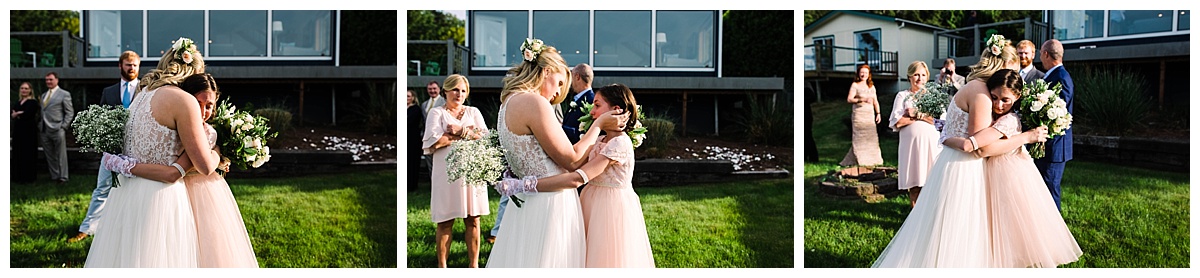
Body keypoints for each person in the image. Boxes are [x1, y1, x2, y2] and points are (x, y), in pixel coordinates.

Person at [872, 35, 1047, 267]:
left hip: (952, 161)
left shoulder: (974, 86)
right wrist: (1026, 136)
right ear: (1001, 66)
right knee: (959, 235)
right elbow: (980, 147)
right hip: (964, 168)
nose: (1011, 78)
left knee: (938, 234)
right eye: (1010, 71)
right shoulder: (982, 93)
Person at [486, 38, 625, 268]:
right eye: (559, 83)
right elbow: (571, 160)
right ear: (546, 71)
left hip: (524, 204)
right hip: (549, 206)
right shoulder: (534, 103)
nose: (557, 92)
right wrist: (598, 125)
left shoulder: (507, 103)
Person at [84, 37, 221, 267]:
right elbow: (206, 166)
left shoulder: (142, 93)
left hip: (129, 191)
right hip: (162, 195)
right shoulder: (184, 100)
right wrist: (217, 149)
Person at [947, 69, 1082, 267]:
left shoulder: (1009, 120)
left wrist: (949, 139)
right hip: (998, 172)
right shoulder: (1001, 115)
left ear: (1017, 97)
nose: (998, 105)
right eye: (993, 98)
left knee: (1011, 229)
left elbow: (982, 149)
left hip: (1008, 175)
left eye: (1005, 100)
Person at [177, 73, 259, 267]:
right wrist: (217, 158)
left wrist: (222, 160)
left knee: (212, 241)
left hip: (209, 191)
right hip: (182, 188)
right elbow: (193, 164)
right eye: (197, 103)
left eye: (209, 105)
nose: (203, 111)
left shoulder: (211, 130)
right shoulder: (179, 128)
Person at [576, 83, 655, 267]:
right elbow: (574, 162)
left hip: (610, 205)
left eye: (597, 105)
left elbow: (582, 174)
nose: (592, 112)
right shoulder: (600, 139)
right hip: (590, 198)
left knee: (606, 254)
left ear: (615, 110)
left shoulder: (620, 143)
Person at [68, 50, 141, 243]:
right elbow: (100, 119)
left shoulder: (146, 90)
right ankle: (87, 228)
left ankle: (130, 230)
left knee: (136, 191)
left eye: (135, 65)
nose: (132, 68)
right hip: (112, 150)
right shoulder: (108, 92)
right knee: (102, 189)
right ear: (120, 66)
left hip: (139, 151)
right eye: (128, 64)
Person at [423, 74, 490, 268]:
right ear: (445, 91)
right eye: (455, 89)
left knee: (473, 220)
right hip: (446, 173)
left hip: (471, 171)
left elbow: (485, 138)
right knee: (445, 221)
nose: (459, 94)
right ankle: (442, 266)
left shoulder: (474, 111)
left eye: (463, 90)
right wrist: (468, 134)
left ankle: (473, 265)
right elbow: (434, 142)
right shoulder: (436, 113)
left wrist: (459, 131)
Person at [887, 61, 942, 208]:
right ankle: (914, 217)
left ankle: (931, 215)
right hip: (911, 147)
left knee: (932, 183)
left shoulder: (933, 96)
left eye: (923, 75)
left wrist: (916, 114)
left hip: (932, 146)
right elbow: (897, 122)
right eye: (916, 74)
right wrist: (926, 117)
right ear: (910, 76)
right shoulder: (902, 96)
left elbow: (940, 121)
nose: (920, 78)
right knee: (915, 183)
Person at [1035, 39, 1074, 212]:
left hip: (1055, 146)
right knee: (1043, 188)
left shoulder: (1061, 78)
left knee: (1050, 189)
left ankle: (1055, 230)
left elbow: (1059, 113)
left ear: (1045, 54)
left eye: (1040, 53)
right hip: (1048, 144)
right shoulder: (1053, 75)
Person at [839, 64, 883, 167]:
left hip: (869, 115)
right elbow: (849, 99)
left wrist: (878, 113)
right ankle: (861, 159)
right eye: (862, 72)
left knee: (871, 137)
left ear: (869, 74)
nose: (864, 75)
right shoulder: (855, 85)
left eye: (866, 73)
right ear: (859, 73)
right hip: (859, 115)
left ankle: (873, 159)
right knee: (859, 137)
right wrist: (861, 99)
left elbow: (875, 101)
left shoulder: (871, 86)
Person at [40, 71, 74, 184]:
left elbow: (69, 112)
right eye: (47, 80)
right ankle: (54, 176)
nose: (48, 82)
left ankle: (63, 177)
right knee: (49, 154)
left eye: (50, 79)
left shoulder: (64, 94)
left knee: (61, 154)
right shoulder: (44, 95)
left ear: (56, 80)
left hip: (58, 128)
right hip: (44, 129)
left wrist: (63, 126)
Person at [11, 82, 41, 183]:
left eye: (26, 89)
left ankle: (28, 177)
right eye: (22, 88)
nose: (24, 90)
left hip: (28, 131)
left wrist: (19, 114)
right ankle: (17, 176)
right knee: (18, 152)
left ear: (30, 90)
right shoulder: (18, 102)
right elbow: (12, 113)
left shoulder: (33, 102)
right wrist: (20, 113)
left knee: (27, 152)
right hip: (18, 130)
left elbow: (28, 114)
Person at [562, 63, 596, 144]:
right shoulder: (578, 99)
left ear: (577, 76)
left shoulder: (591, 101)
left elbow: (586, 132)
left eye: (571, 77)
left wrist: (560, 128)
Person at [407, 89, 424, 193]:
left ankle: (412, 186)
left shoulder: (416, 109)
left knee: (412, 162)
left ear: (413, 97)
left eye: (408, 96)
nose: (406, 98)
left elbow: (410, 122)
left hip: (413, 139)